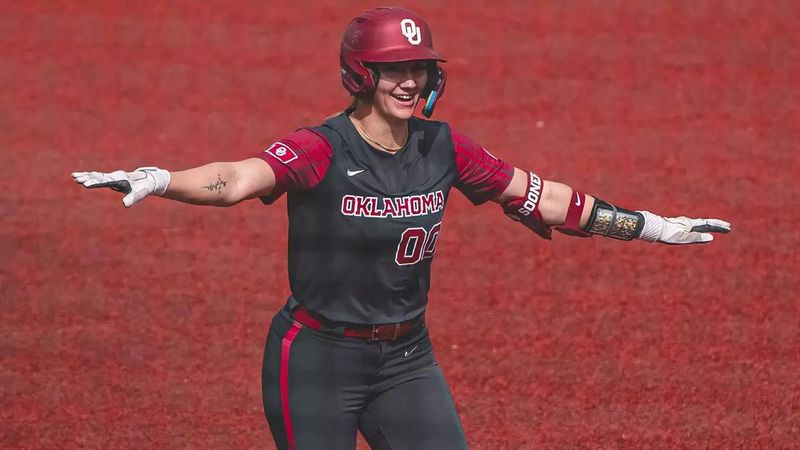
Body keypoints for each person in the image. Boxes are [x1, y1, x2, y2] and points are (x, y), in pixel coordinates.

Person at [72, 6, 731, 450]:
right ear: (362, 74)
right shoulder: (321, 147)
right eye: (394, 69)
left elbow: (545, 198)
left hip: (406, 358)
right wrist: (161, 179)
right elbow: (237, 179)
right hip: (317, 361)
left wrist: (652, 227)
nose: (409, 80)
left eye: (417, 68)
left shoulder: (444, 147)